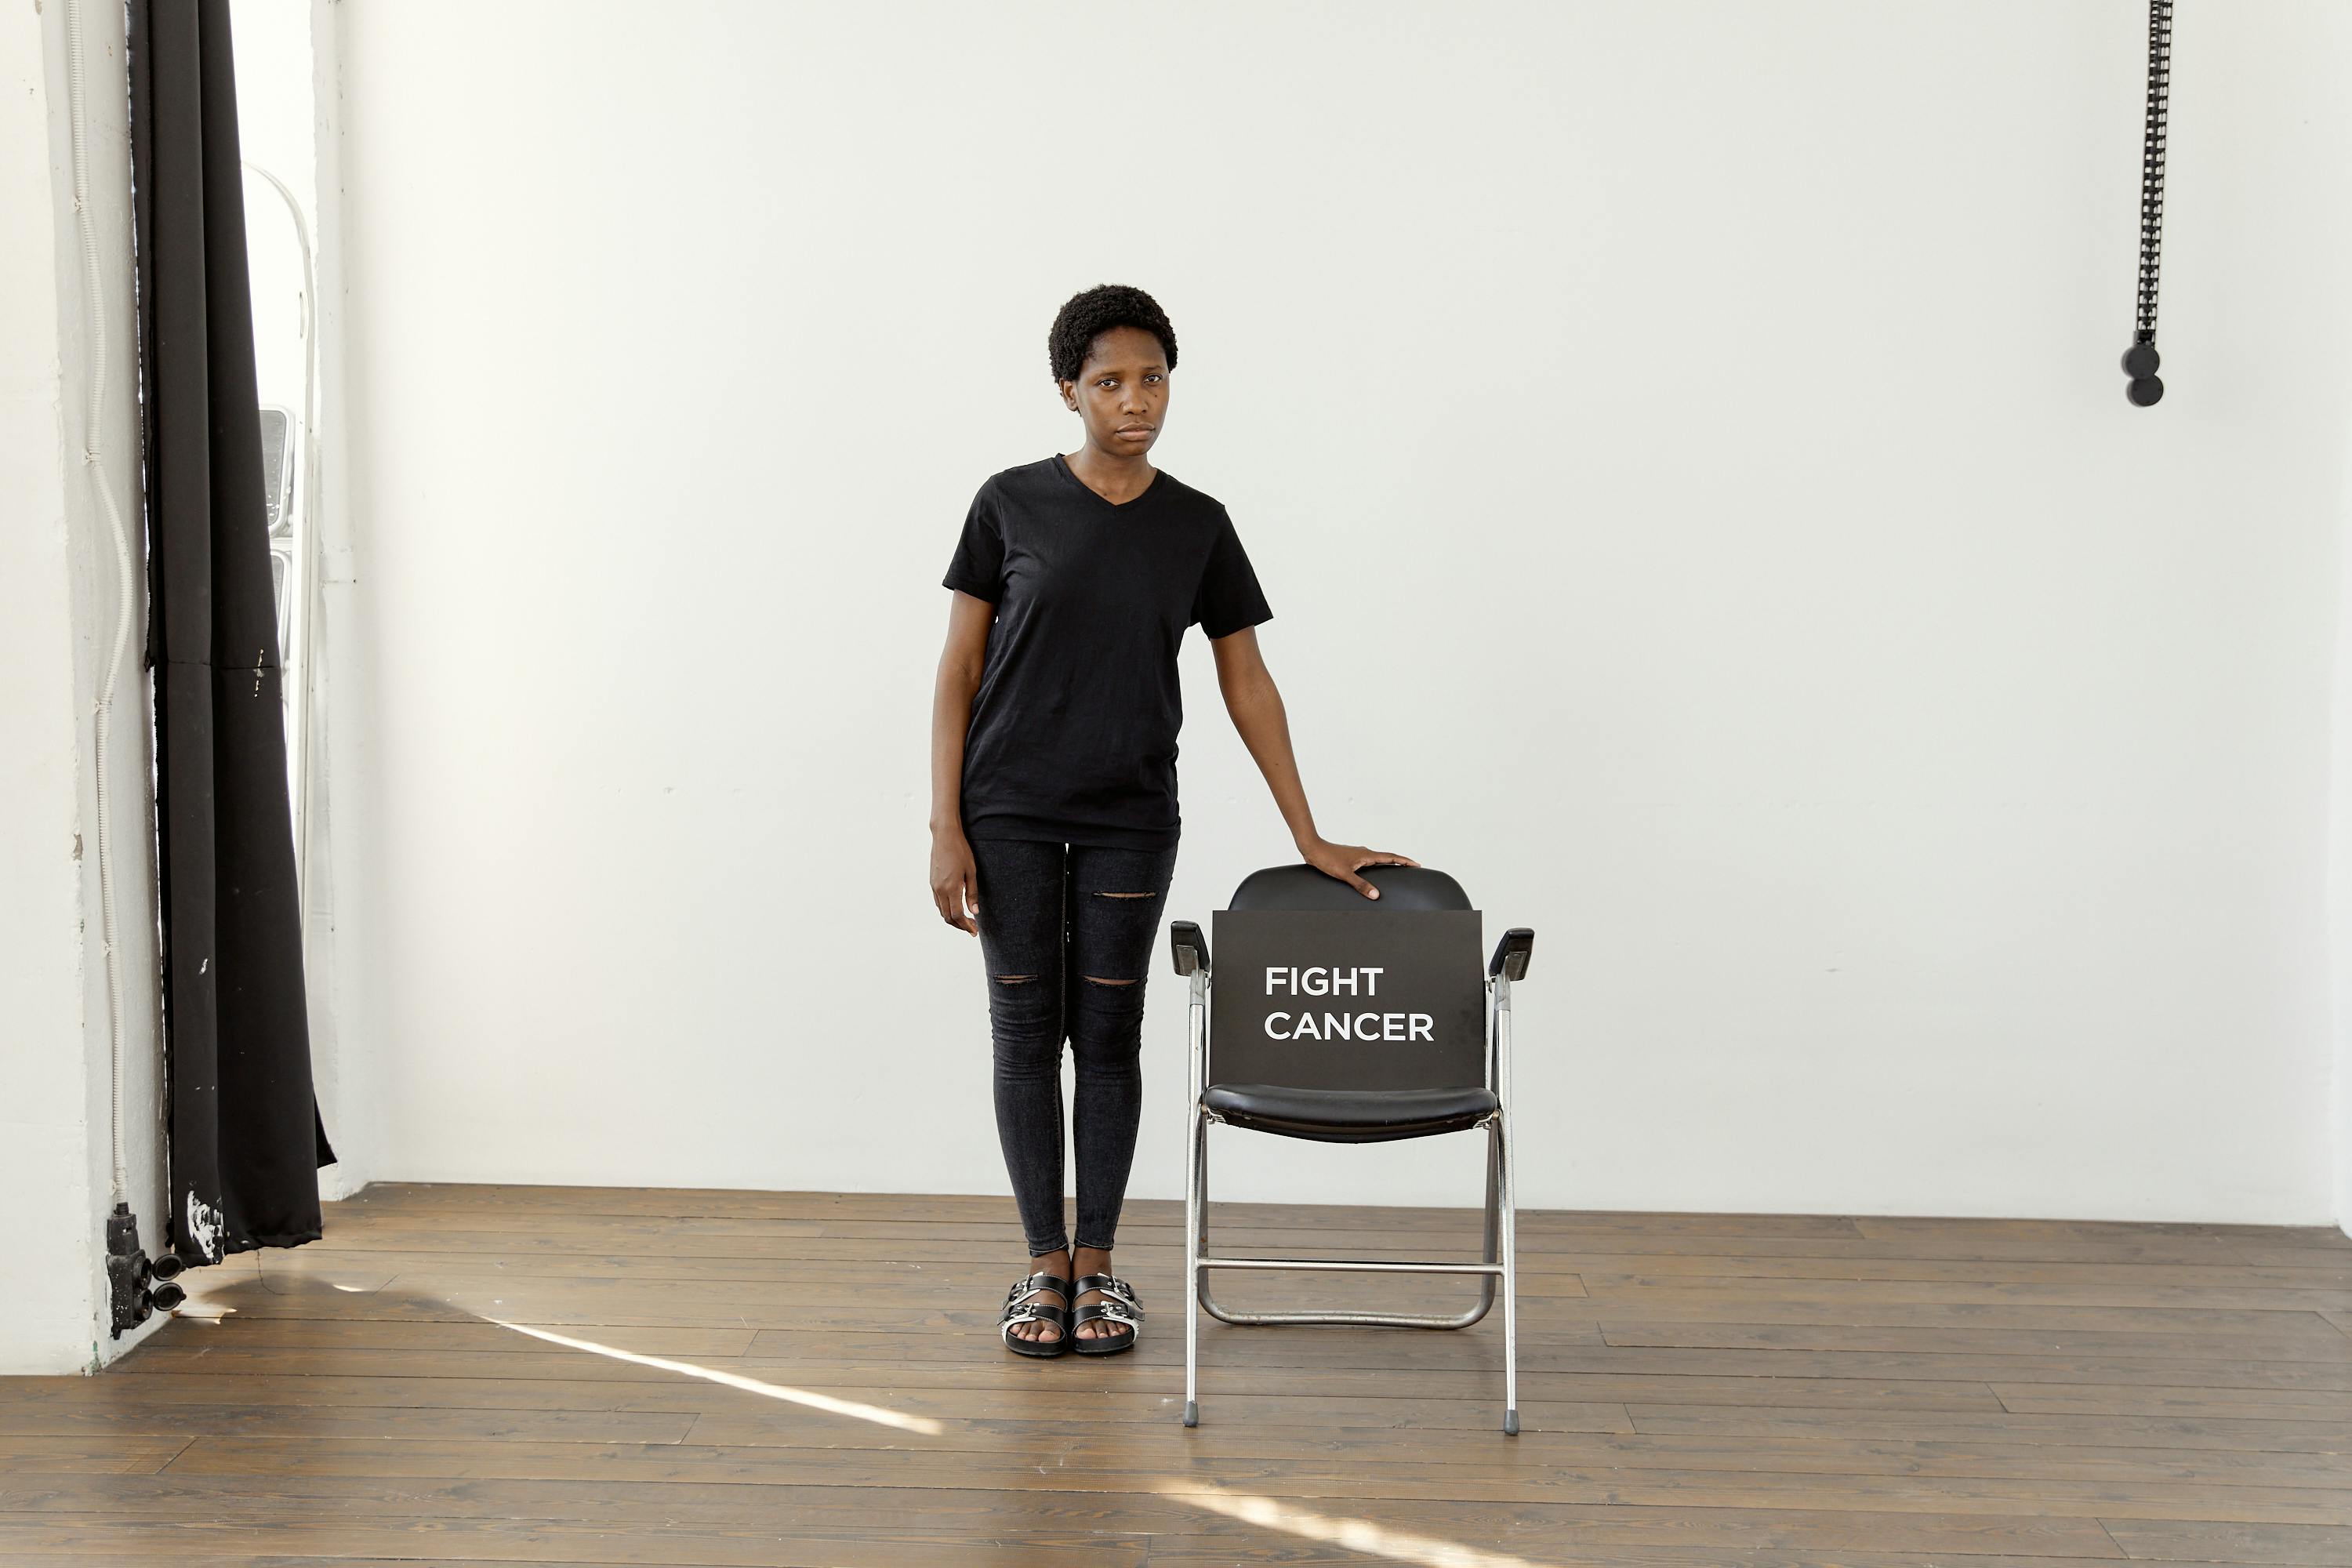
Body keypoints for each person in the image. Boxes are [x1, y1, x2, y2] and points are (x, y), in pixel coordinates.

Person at [928, 284, 1416, 1358]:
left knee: (1107, 1035)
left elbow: (1249, 682)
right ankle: (1040, 1267)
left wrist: (1309, 834)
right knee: (1024, 1034)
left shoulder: (1197, 525)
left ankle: (1097, 1268)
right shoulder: (1007, 504)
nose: (1134, 399)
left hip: (1131, 818)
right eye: (1109, 381)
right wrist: (942, 826)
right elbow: (960, 670)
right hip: (1004, 809)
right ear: (1069, 391)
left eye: (1151, 378)